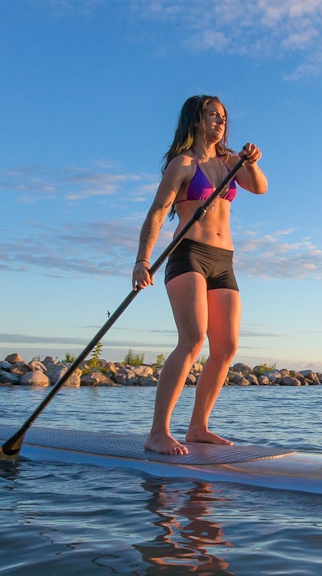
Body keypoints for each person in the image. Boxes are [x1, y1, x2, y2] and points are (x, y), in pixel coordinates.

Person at [132, 95, 268, 455]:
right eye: (213, 115)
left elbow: (260, 187)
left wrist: (251, 161)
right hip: (188, 254)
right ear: (195, 120)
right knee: (192, 340)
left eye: (224, 117)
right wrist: (142, 261)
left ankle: (198, 428)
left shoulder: (230, 161)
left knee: (226, 346)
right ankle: (158, 432)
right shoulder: (183, 164)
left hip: (224, 260)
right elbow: (159, 212)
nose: (220, 122)